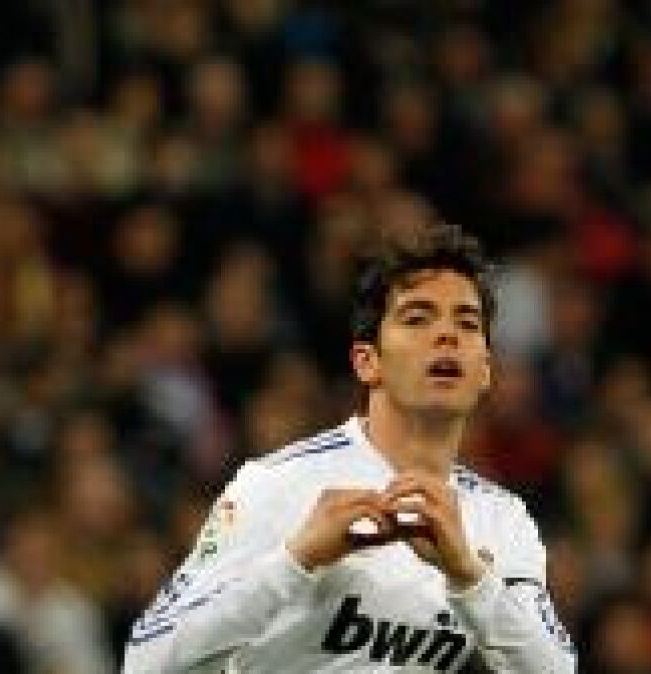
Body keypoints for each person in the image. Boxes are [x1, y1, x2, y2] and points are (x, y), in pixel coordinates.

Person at [123, 221, 576, 672]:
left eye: (467, 322)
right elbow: (146, 659)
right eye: (417, 318)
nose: (447, 335)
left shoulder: (502, 519)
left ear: (485, 371)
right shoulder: (276, 484)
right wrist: (296, 562)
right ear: (367, 362)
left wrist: (469, 577)